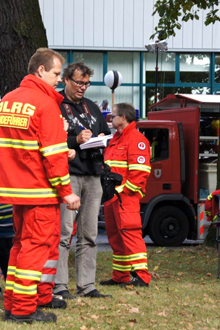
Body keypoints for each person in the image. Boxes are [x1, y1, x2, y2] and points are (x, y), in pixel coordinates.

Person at [0, 48, 81, 323]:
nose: (58, 80)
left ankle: (12, 302)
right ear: (40, 71)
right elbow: (52, 156)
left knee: (19, 246)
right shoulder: (44, 104)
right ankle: (24, 309)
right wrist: (66, 192)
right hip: (40, 190)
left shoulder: (7, 100)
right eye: (55, 74)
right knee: (35, 248)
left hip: (15, 190)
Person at [54, 62, 111, 300]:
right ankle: (58, 286)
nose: (83, 88)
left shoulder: (91, 107)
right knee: (64, 233)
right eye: (79, 82)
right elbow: (50, 140)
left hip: (93, 174)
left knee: (88, 234)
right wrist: (75, 139)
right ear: (66, 79)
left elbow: (103, 131)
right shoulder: (55, 104)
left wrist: (100, 137)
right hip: (69, 175)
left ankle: (87, 285)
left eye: (86, 83)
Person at [100, 102, 151, 287]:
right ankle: (120, 276)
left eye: (113, 116)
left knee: (130, 233)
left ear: (123, 117)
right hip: (113, 197)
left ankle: (141, 277)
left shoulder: (136, 139)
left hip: (125, 197)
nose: (110, 118)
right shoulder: (116, 139)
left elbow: (140, 173)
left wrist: (122, 191)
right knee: (115, 236)